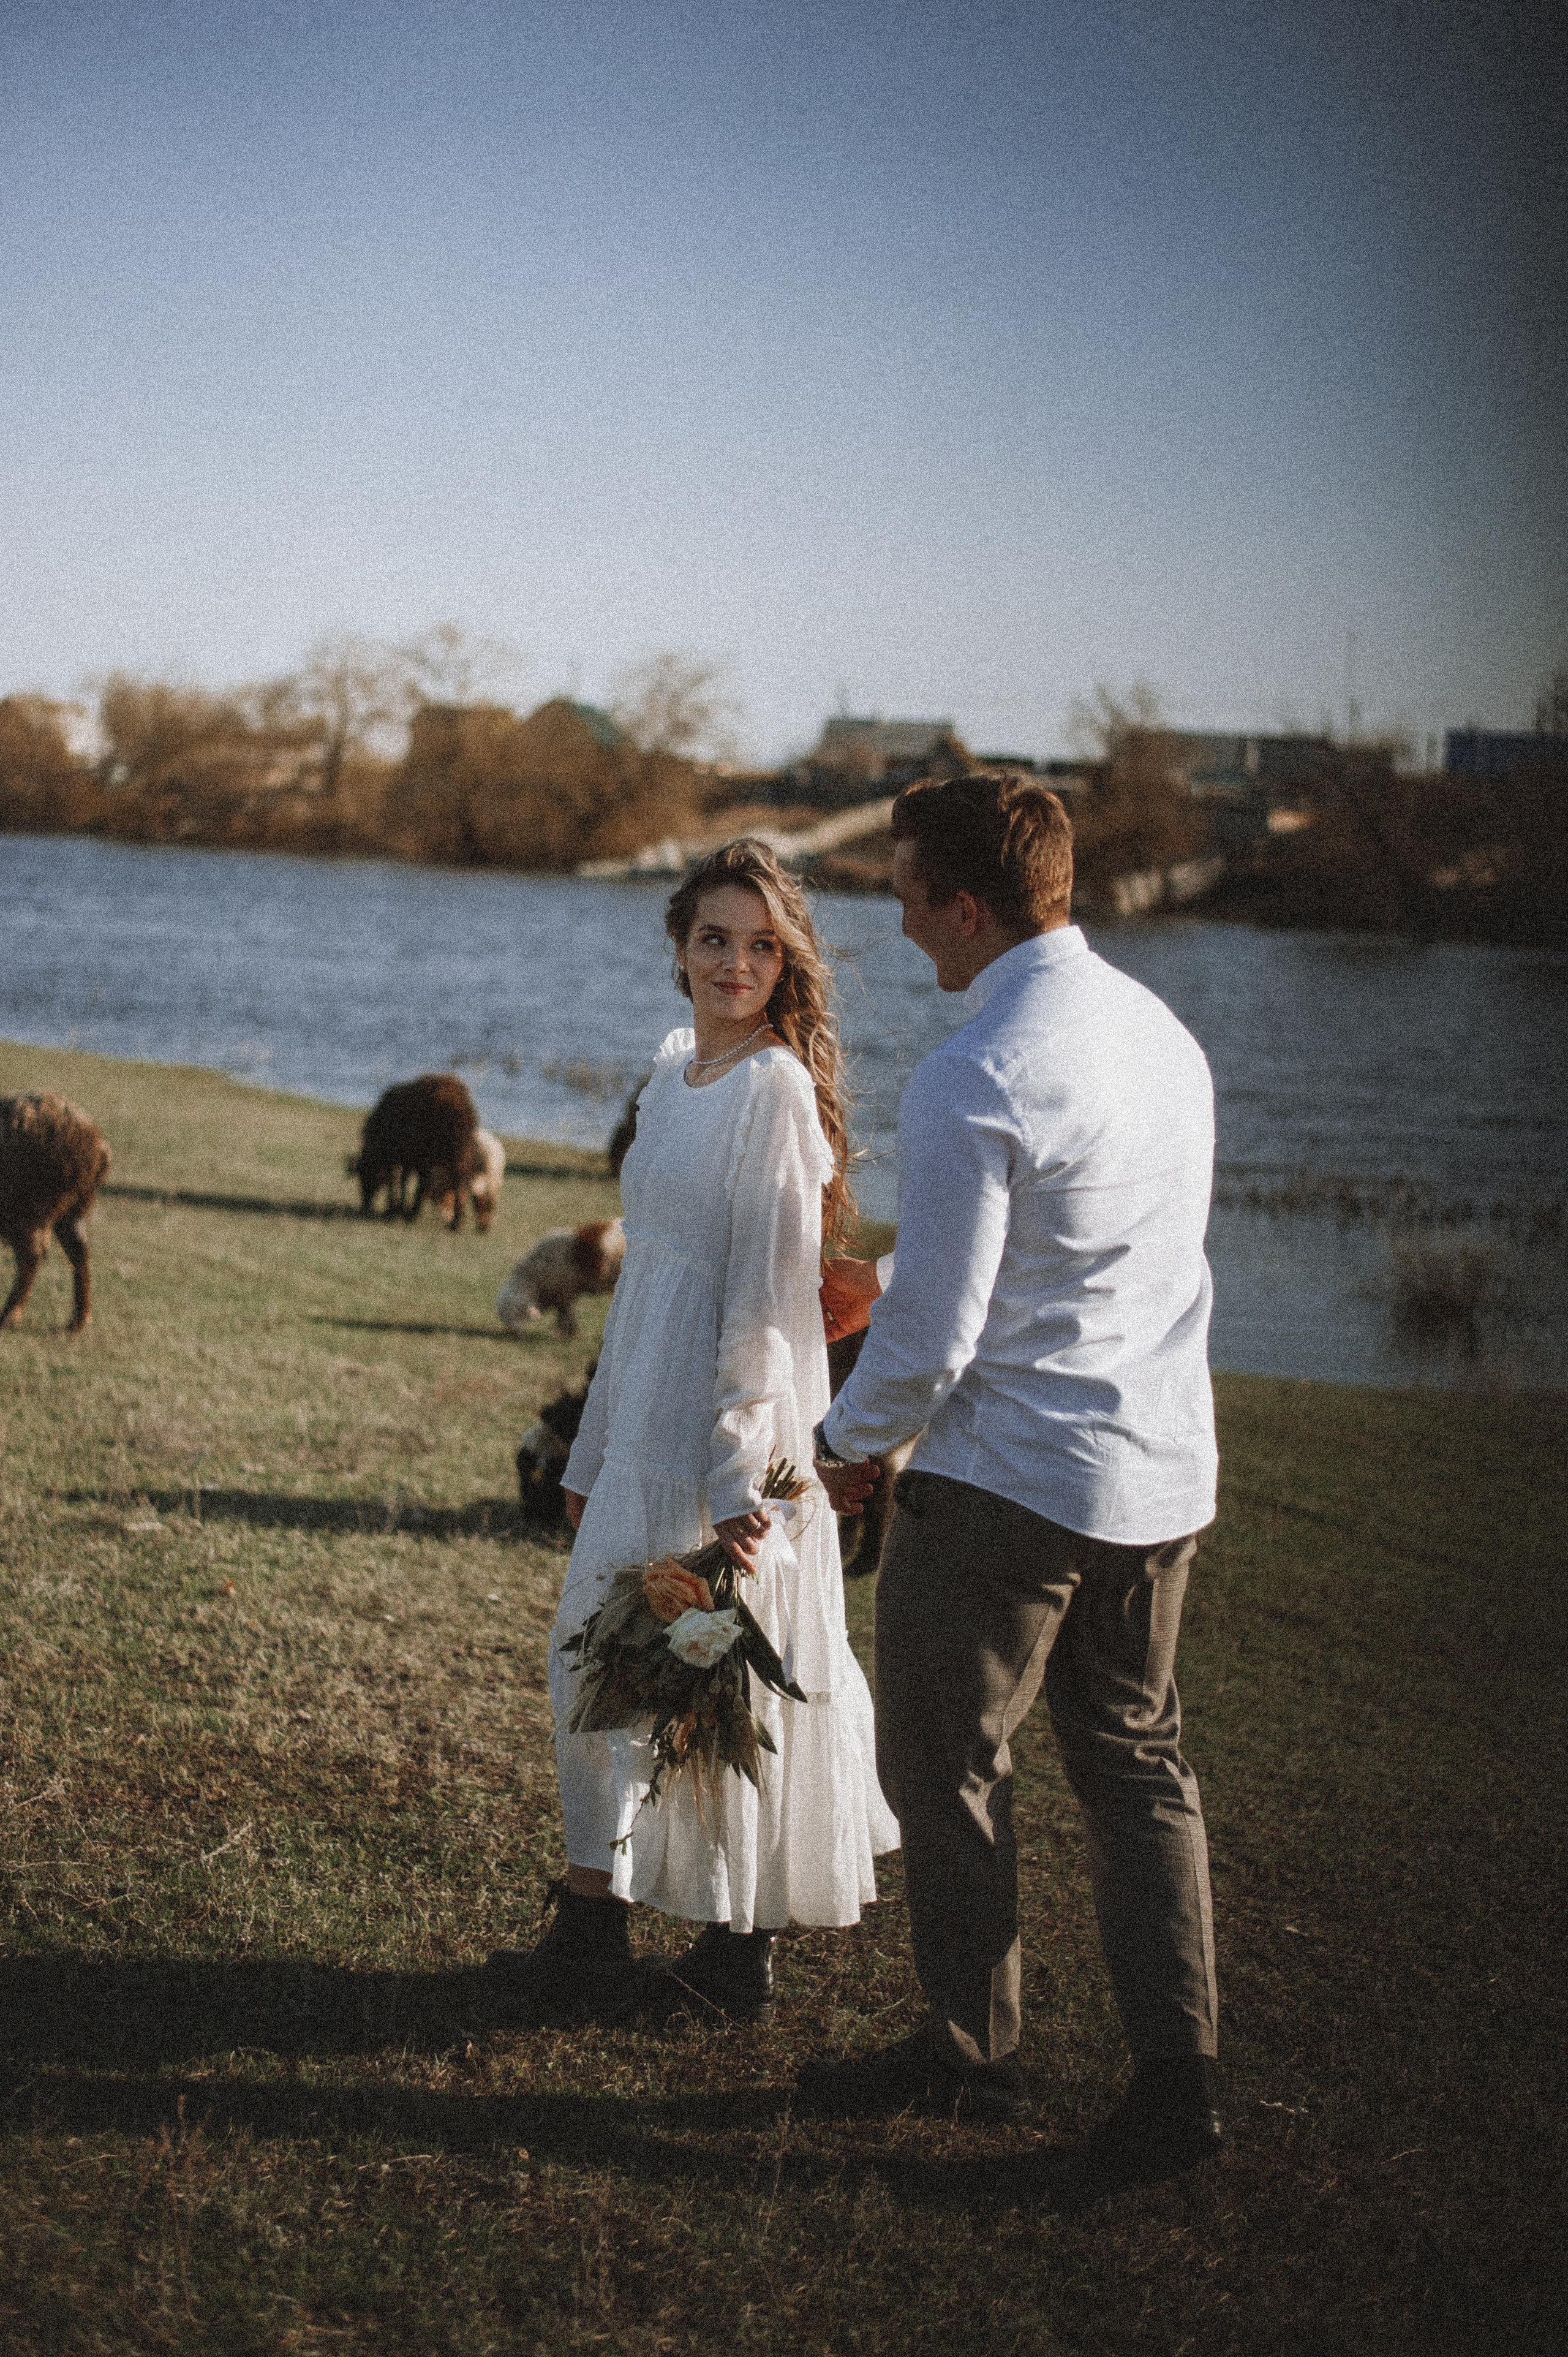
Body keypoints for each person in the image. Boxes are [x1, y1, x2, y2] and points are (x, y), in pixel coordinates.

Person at [802, 771, 1224, 2187]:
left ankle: (969, 2058)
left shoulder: (973, 1070)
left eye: (909, 891)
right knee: (1136, 1771)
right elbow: (1083, 1252)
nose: (898, 917)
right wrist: (899, 1271)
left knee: (943, 1761)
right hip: (1159, 1475)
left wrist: (840, 1446)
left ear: (966, 907)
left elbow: (933, 1340)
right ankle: (1180, 2087)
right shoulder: (1158, 1037)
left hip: (1007, 1488)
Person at [488, 839, 897, 2025]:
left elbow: (769, 1301)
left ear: (785, 965)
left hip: (734, 1440)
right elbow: (649, 1280)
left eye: (761, 945)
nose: (734, 962)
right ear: (676, 946)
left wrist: (736, 1481)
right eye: (713, 938)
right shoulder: (672, 1078)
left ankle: (737, 1948)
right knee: (598, 1662)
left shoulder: (772, 1093)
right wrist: (590, 1448)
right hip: (645, 1414)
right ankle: (589, 1923)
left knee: (726, 1681)